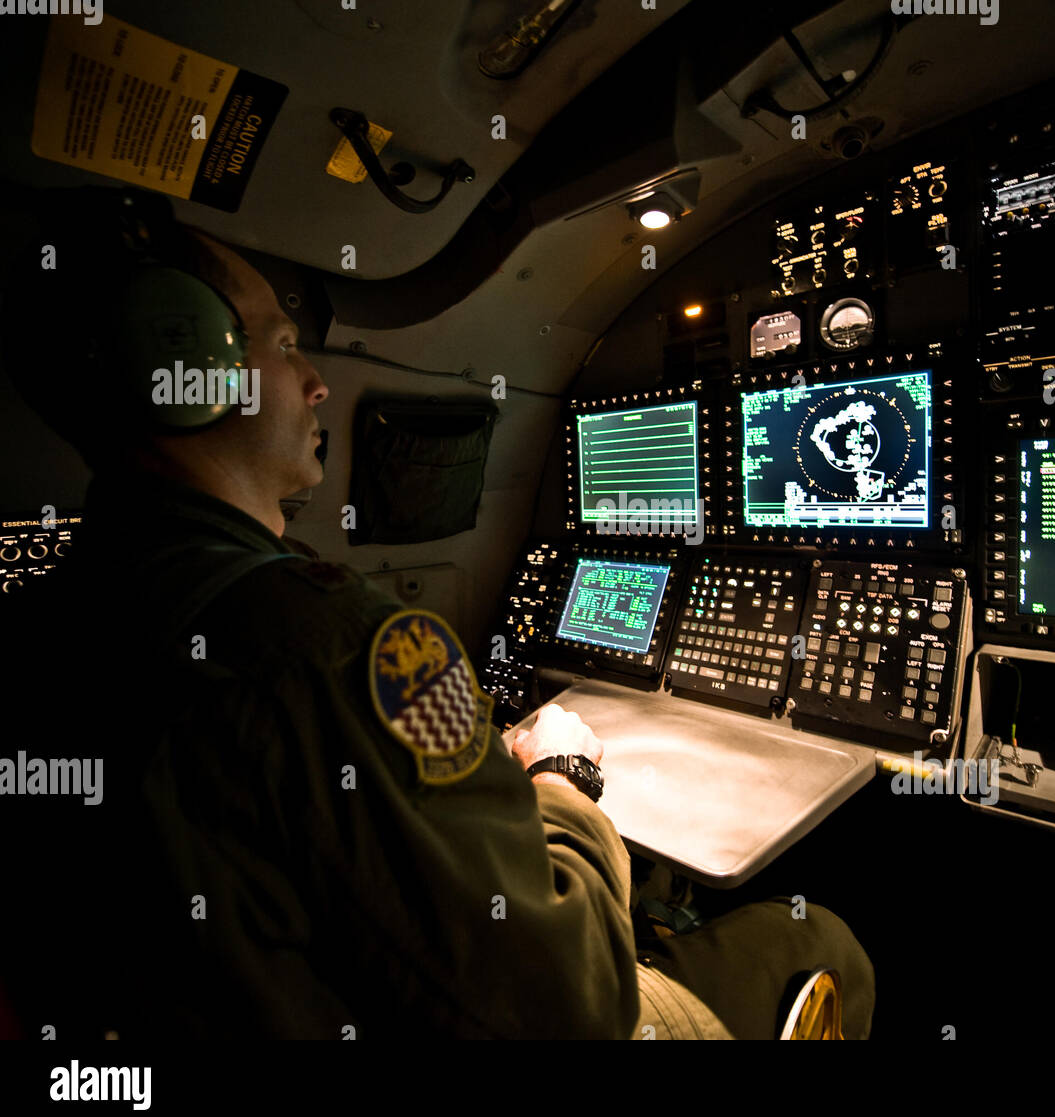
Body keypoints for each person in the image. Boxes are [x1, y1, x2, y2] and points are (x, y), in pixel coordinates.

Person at [0, 189, 873, 1039]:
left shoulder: (46, 617)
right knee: (821, 939)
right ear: (188, 369)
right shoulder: (338, 644)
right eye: (282, 344)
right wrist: (565, 781)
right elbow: (572, 1007)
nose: (314, 386)